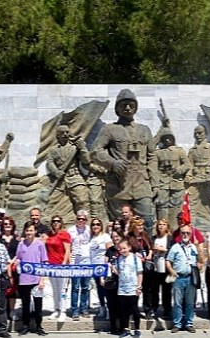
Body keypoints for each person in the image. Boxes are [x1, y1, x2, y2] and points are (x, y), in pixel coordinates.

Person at [91, 89, 157, 230]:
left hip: (142, 185)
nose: (127, 108)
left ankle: (146, 251)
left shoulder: (144, 130)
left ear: (135, 108)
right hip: (118, 186)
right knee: (119, 226)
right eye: (124, 105)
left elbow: (152, 157)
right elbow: (95, 151)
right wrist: (113, 163)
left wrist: (155, 184)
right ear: (117, 109)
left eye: (131, 105)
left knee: (147, 223)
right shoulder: (109, 129)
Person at [11, 221, 49, 336]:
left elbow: (44, 262)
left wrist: (42, 279)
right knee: (25, 303)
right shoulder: (21, 244)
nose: (29, 232)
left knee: (38, 304)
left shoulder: (40, 244)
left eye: (31, 230)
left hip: (36, 279)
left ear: (35, 231)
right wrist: (14, 263)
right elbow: (18, 258)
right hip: (24, 279)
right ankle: (26, 325)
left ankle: (39, 326)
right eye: (27, 230)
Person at [166, 224, 201, 333]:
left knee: (190, 302)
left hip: (191, 278)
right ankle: (177, 323)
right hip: (179, 278)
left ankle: (189, 323)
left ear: (191, 234)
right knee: (177, 302)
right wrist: (172, 272)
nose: (185, 235)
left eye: (188, 233)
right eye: (183, 233)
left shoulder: (194, 247)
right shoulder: (175, 247)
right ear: (180, 234)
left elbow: (201, 261)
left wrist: (199, 249)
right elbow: (168, 261)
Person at [114, 240, 143, 338]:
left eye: (124, 248)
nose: (122, 251)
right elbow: (118, 272)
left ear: (129, 247)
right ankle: (126, 329)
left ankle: (137, 329)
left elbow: (140, 273)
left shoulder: (135, 258)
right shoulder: (119, 259)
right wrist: (112, 268)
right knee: (124, 310)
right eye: (120, 249)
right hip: (122, 288)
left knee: (134, 309)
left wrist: (139, 286)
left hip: (133, 287)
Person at [45, 215, 72, 322]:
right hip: (51, 266)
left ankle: (63, 311)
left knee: (62, 290)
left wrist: (64, 264)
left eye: (58, 221)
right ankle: (56, 309)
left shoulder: (64, 234)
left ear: (61, 223)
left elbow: (68, 250)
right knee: (55, 289)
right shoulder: (50, 234)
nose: (56, 223)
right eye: (54, 221)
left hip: (61, 266)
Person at [127, 216, 154, 318]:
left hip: (145, 264)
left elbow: (150, 247)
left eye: (142, 225)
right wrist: (134, 255)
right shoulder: (129, 237)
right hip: (134, 266)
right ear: (134, 226)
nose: (141, 227)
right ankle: (133, 310)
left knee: (147, 289)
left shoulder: (145, 235)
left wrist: (150, 254)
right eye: (139, 225)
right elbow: (126, 250)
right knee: (136, 288)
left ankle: (148, 310)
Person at [67, 210, 92, 320]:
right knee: (75, 287)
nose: (81, 220)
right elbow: (68, 247)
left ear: (86, 220)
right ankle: (75, 310)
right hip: (75, 262)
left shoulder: (89, 230)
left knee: (85, 287)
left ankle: (84, 308)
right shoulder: (70, 230)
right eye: (79, 218)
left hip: (87, 262)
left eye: (83, 219)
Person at [89, 217, 113, 319]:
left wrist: (107, 264)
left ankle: (108, 309)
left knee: (106, 287)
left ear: (101, 226)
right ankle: (102, 307)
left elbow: (110, 251)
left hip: (103, 266)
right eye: (93, 224)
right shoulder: (90, 238)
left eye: (98, 224)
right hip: (93, 266)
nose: (96, 226)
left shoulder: (105, 236)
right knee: (99, 288)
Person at [0, 216, 20, 321]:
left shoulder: (17, 238)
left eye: (10, 224)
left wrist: (12, 261)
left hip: (13, 266)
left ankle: (12, 311)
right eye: (5, 224)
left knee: (12, 290)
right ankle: (2, 312)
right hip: (1, 267)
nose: (8, 226)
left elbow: (18, 252)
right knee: (1, 290)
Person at [151, 219, 173, 319]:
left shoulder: (170, 238)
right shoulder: (154, 238)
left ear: (167, 227)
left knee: (166, 290)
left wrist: (163, 249)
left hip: (166, 267)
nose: (161, 226)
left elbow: (173, 252)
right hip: (156, 266)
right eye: (160, 224)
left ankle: (167, 310)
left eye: (164, 224)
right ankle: (154, 308)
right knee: (154, 290)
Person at [103, 229, 124, 334]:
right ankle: (113, 326)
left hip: (122, 281)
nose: (115, 239)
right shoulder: (109, 250)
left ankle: (121, 327)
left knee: (121, 304)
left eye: (117, 236)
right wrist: (103, 277)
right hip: (111, 281)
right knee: (111, 304)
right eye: (114, 237)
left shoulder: (124, 250)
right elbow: (105, 265)